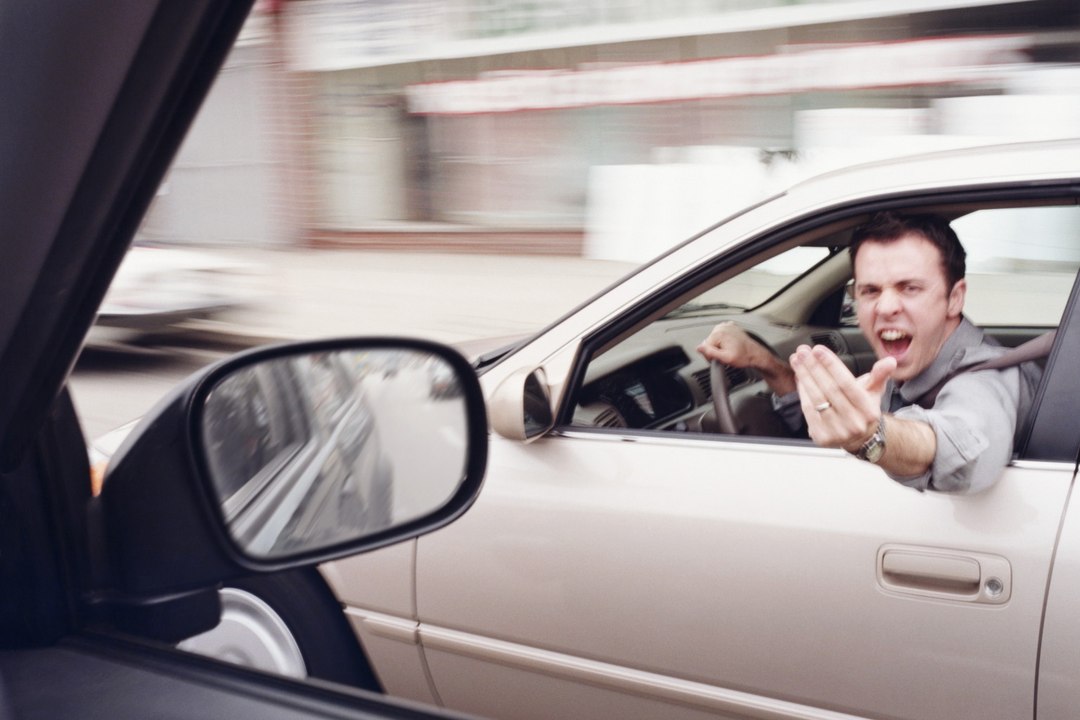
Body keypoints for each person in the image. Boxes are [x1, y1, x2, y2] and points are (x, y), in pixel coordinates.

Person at [697, 211, 1042, 493]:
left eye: (910, 287)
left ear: (954, 298)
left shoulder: (987, 377)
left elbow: (964, 451)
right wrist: (762, 361)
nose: (886, 307)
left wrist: (872, 436)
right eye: (871, 290)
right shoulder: (911, 360)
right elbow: (835, 416)